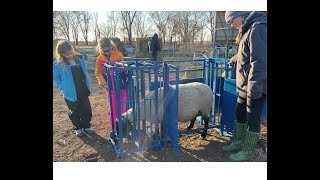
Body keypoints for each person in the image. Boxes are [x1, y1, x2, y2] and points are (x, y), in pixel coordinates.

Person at [221, 11, 267, 161]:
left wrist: (254, 90)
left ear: (240, 15)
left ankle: (248, 151)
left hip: (256, 85)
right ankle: (239, 142)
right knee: (239, 112)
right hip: (246, 84)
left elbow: (259, 62)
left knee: (252, 118)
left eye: (231, 21)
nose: (232, 25)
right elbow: (247, 52)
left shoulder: (257, 28)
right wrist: (235, 58)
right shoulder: (248, 29)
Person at [53, 40, 93, 137]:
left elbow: (84, 73)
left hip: (83, 90)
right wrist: (62, 87)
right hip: (70, 94)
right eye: (67, 54)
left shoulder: (80, 59)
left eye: (71, 52)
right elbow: (56, 78)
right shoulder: (58, 65)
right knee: (74, 111)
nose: (70, 55)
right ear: (62, 54)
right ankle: (78, 128)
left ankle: (86, 126)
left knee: (86, 109)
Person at [95, 37, 127, 139]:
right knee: (113, 108)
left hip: (121, 86)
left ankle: (124, 127)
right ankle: (114, 128)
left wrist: (123, 69)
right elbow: (98, 73)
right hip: (110, 87)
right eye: (103, 51)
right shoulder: (99, 59)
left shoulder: (119, 55)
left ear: (112, 47)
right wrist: (103, 83)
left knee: (123, 106)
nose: (106, 53)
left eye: (108, 50)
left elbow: (125, 68)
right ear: (100, 49)